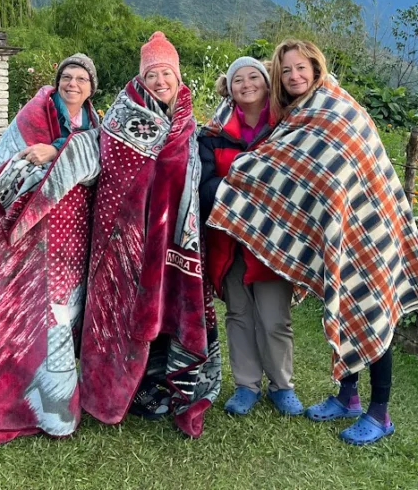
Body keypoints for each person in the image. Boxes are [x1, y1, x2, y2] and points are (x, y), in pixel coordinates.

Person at [208, 39, 418, 445]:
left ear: (316, 68)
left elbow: (347, 165)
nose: (294, 76)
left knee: (372, 307)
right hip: (333, 230)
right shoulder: (295, 118)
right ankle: (348, 397)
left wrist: (235, 177)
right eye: (285, 71)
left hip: (368, 228)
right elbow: (292, 170)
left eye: (300, 68)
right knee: (343, 307)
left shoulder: (337, 109)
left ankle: (380, 413)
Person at [80, 31, 221, 438]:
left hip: (175, 240)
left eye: (166, 74)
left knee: (167, 308)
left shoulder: (189, 123)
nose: (160, 81)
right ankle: (130, 388)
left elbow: (191, 181)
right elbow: (114, 175)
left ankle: (164, 382)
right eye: (153, 74)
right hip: (130, 238)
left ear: (178, 77)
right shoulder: (122, 117)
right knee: (128, 309)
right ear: (142, 79)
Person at [0, 53, 101, 445]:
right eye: (66, 78)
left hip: (75, 238)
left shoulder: (95, 124)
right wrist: (53, 157)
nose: (72, 84)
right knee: (41, 318)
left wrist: (58, 151)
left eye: (81, 79)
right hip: (33, 235)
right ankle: (50, 412)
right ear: (57, 83)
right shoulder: (34, 115)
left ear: (91, 88)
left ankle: (50, 396)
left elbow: (98, 165)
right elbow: (6, 165)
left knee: (65, 314)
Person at [199, 57, 303, 417]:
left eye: (253, 76)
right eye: (237, 79)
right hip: (229, 240)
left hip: (275, 241)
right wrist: (242, 197)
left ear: (266, 81)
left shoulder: (289, 127)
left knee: (274, 317)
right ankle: (246, 385)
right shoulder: (212, 135)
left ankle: (282, 385)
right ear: (228, 88)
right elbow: (205, 183)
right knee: (239, 313)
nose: (246, 84)